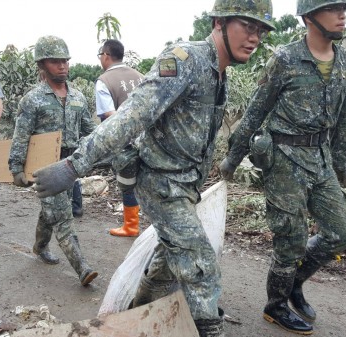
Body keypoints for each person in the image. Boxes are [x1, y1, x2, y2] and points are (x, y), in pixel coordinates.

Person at [32, 1, 274, 335]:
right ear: (219, 22)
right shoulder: (183, 60)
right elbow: (131, 116)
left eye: (260, 30)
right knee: (201, 265)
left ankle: (136, 313)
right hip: (161, 184)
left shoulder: (220, 74)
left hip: (187, 186)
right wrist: (74, 166)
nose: (255, 38)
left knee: (168, 259)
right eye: (248, 27)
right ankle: (208, 329)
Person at [219, 0, 346, 334]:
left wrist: (341, 165)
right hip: (283, 159)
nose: (343, 16)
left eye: (345, 9)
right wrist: (232, 159)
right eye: (335, 9)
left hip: (321, 158)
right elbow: (257, 108)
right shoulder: (285, 58)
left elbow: (344, 117)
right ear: (310, 17)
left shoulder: (344, 60)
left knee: (341, 233)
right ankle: (275, 305)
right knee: (290, 239)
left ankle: (294, 282)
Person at [8, 35, 98, 286]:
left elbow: (91, 131)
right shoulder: (33, 99)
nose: (63, 66)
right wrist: (16, 168)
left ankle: (39, 246)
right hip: (45, 165)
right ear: (42, 65)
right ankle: (83, 268)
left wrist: (101, 153)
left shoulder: (79, 97)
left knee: (52, 210)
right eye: (56, 62)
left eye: (65, 61)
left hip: (70, 165)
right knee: (61, 215)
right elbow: (21, 135)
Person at [96, 39, 145, 237]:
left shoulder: (104, 81)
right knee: (149, 182)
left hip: (125, 142)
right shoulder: (140, 76)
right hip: (150, 139)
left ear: (106, 55)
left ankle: (131, 226)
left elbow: (109, 114)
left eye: (100, 55)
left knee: (127, 183)